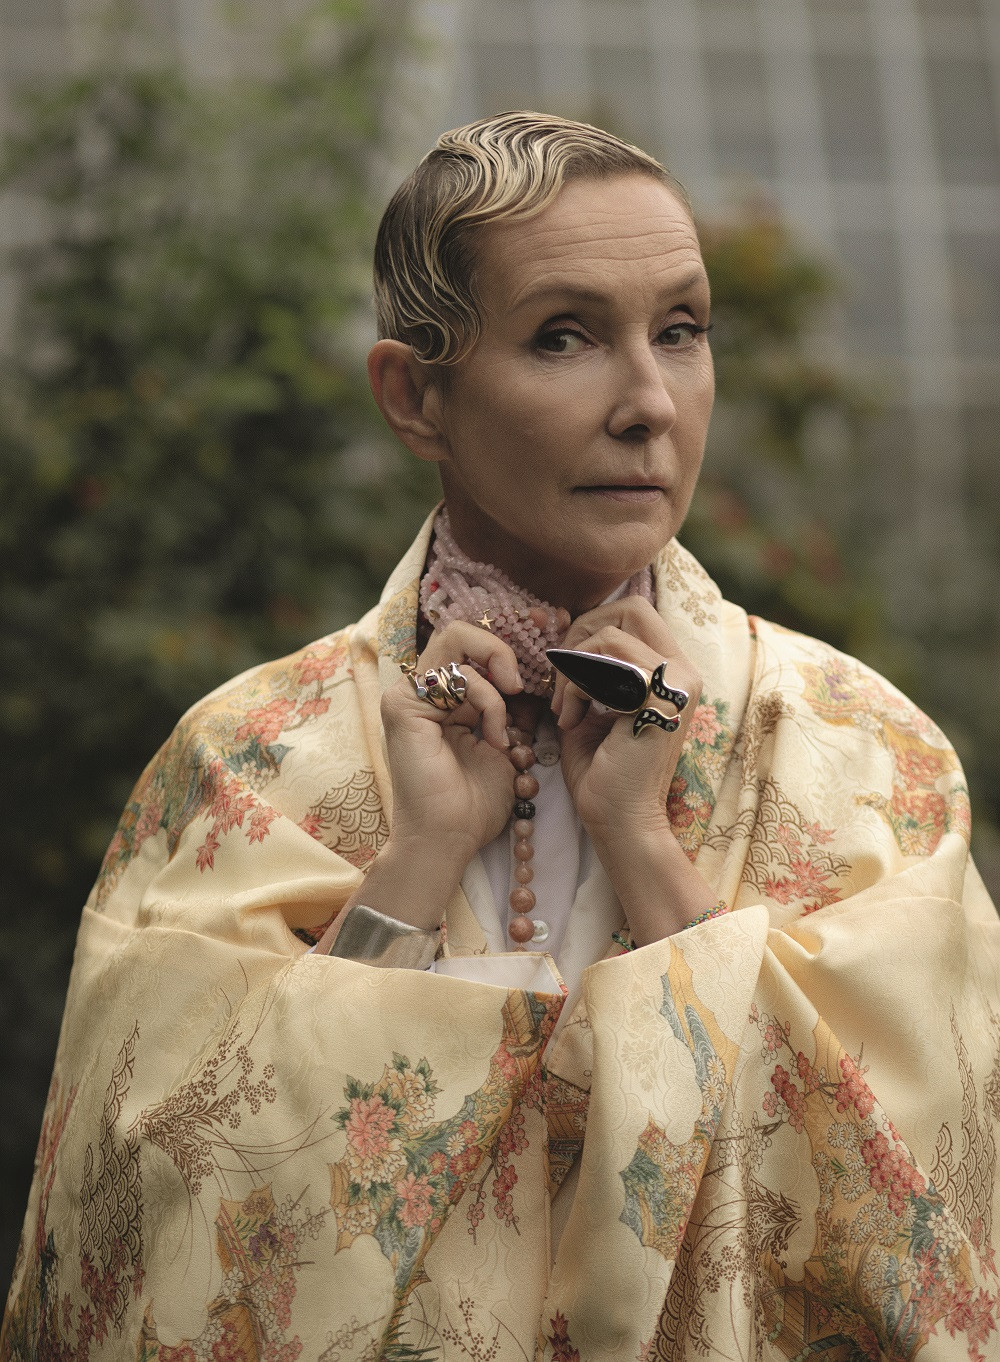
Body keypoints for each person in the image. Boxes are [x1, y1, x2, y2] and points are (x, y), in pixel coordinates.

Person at [3, 111, 999, 1362]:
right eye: (562, 336)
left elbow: (920, 1245)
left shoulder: (867, 756)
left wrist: (642, 844)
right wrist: (411, 873)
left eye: (680, 331)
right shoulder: (243, 764)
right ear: (414, 395)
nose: (649, 404)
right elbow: (143, 1261)